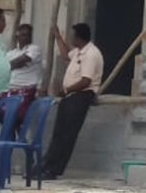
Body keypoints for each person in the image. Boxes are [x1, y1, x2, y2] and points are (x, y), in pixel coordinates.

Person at [40, 23, 103, 179]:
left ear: (78, 37)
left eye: (72, 36)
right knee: (59, 133)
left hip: (80, 96)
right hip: (71, 97)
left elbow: (85, 81)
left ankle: (53, 169)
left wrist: (67, 90)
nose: (71, 38)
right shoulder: (79, 52)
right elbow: (65, 55)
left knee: (67, 134)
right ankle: (46, 165)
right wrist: (58, 38)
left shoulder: (91, 54)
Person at [7, 23, 42, 100]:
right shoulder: (11, 53)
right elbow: (3, 68)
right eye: (23, 35)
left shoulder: (35, 49)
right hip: (10, 89)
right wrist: (12, 65)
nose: (26, 38)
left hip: (26, 90)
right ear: (17, 37)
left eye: (28, 35)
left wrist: (11, 65)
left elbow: (23, 59)